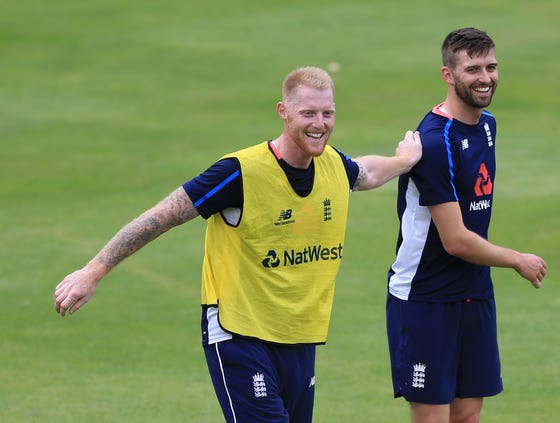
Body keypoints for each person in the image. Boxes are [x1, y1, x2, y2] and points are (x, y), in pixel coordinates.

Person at [54, 66, 422, 422]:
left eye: (328, 113)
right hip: (239, 333)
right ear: (284, 112)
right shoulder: (239, 172)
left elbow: (366, 172)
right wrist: (94, 270)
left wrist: (404, 161)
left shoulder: (333, 166)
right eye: (308, 112)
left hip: (299, 335)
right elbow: (163, 215)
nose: (320, 123)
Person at [385, 28, 547, 423]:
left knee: (468, 415)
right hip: (426, 298)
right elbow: (455, 240)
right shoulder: (435, 143)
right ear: (448, 74)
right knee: (433, 419)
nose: (485, 77)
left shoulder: (487, 125)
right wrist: (517, 260)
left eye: (491, 67)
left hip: (473, 292)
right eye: (472, 68)